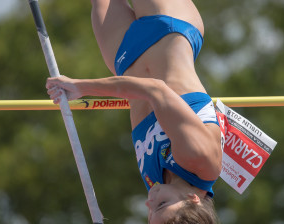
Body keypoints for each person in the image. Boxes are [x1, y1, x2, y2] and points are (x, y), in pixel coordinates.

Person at [46, 0, 222, 223]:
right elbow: (155, 89)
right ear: (192, 199)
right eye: (161, 205)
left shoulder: (155, 181)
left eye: (149, 213)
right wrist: (82, 87)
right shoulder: (200, 161)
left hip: (124, 56)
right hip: (169, 27)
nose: (149, 202)